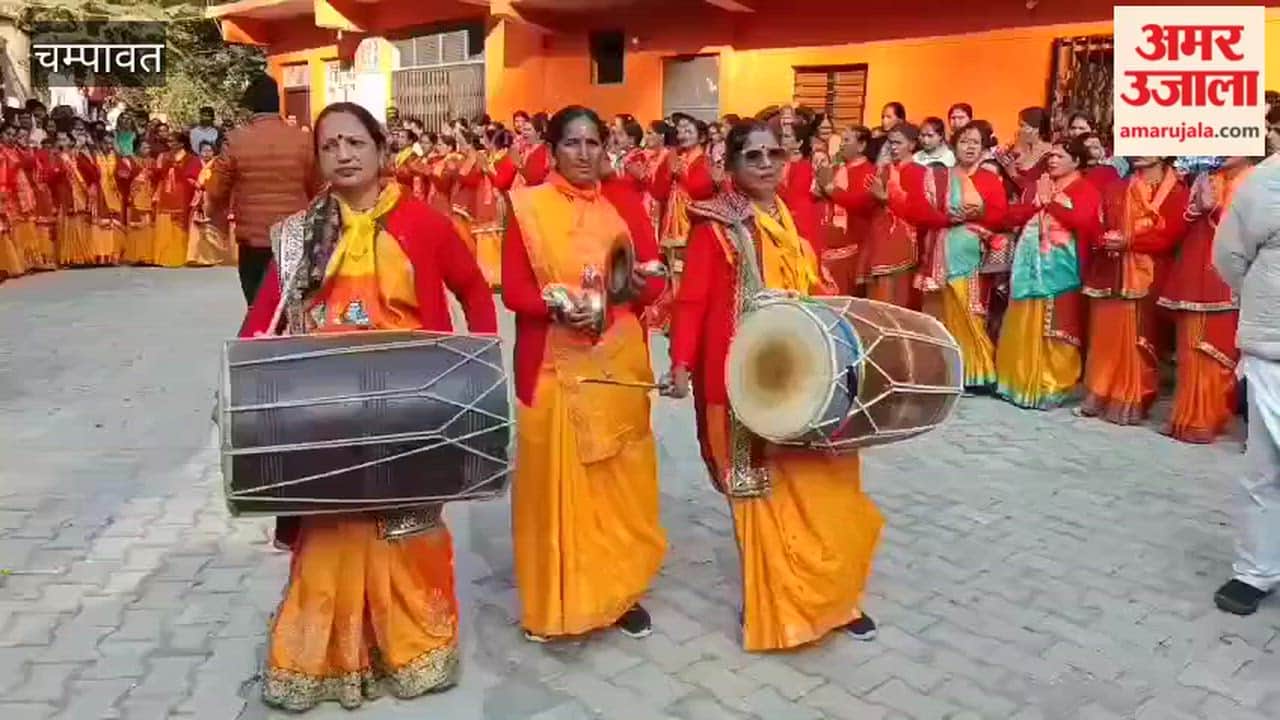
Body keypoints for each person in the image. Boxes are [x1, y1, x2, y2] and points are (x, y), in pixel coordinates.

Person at [237, 102, 497, 709]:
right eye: (330, 146)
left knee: (406, 532)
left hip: (412, 410)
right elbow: (263, 319)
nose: (344, 155)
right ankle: (322, 660)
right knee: (331, 534)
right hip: (328, 414)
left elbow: (474, 291)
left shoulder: (425, 224)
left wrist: (479, 367)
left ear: (382, 151)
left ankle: (412, 651)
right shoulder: (301, 235)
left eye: (356, 142)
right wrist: (244, 388)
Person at [666, 118, 882, 651]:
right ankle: (776, 606)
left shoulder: (796, 213)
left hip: (809, 371)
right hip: (744, 378)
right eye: (753, 157)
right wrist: (680, 363)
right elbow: (692, 300)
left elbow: (821, 284)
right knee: (760, 492)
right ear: (732, 167)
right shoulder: (716, 224)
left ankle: (834, 600)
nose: (766, 165)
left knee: (827, 484)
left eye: (773, 156)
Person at [501, 105, 667, 643]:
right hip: (551, 366)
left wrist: (629, 290)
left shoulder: (624, 203)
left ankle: (617, 594)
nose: (583, 153)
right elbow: (516, 290)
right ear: (552, 151)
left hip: (615, 366)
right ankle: (558, 601)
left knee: (615, 483)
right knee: (555, 488)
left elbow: (655, 278)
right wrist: (557, 306)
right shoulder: (526, 208)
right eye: (571, 143)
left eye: (593, 142)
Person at [1212, 157, 1280, 615]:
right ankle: (1255, 570)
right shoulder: (1269, 180)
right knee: (1265, 467)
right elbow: (1230, 257)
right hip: (1274, 349)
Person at [1079, 157, 1188, 424]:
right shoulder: (1116, 187)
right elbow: (1097, 222)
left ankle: (1132, 397)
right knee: (1106, 335)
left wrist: (1129, 240)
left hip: (1148, 273)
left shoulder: (1176, 191)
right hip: (1111, 269)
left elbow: (1171, 234)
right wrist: (1105, 239)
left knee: (1139, 337)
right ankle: (1099, 391)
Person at [995, 137, 1100, 409]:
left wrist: (1050, 203)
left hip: (1061, 271)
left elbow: (1082, 221)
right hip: (1029, 268)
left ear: (1076, 162)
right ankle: (1018, 383)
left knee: (1056, 328)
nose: (1052, 160)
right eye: (1051, 155)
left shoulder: (1085, 189)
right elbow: (1009, 217)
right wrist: (1037, 203)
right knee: (1022, 322)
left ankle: (1052, 385)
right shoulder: (1038, 186)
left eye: (1060, 156)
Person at [902, 122, 1008, 390]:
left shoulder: (989, 179)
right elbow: (918, 209)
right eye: (964, 141)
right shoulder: (938, 176)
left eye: (975, 142)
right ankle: (944, 372)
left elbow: (1000, 214)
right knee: (940, 311)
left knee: (970, 312)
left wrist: (976, 215)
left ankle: (978, 372)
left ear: (984, 149)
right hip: (940, 246)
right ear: (954, 145)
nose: (970, 147)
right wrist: (945, 218)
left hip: (971, 254)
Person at [1157, 156, 1254, 443]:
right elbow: (1175, 227)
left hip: (1225, 275)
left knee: (1216, 346)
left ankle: (1207, 417)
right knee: (1189, 347)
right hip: (1193, 268)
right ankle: (1184, 415)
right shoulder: (1205, 177)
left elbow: (1252, 230)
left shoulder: (1253, 180)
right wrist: (1197, 208)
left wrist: (1216, 209)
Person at [206, 72, 319, 304]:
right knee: (293, 304)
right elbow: (318, 187)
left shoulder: (236, 140)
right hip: (294, 235)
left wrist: (216, 218)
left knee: (257, 305)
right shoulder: (304, 140)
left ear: (252, 106)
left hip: (253, 238)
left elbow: (216, 189)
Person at [857, 123, 920, 307]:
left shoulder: (919, 172)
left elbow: (917, 211)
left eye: (898, 143)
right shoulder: (883, 170)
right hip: (878, 240)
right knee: (876, 301)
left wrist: (887, 200)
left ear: (912, 145)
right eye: (891, 143)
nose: (893, 147)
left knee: (897, 302)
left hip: (904, 243)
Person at [816, 125, 876, 294]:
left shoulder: (869, 172)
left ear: (861, 146)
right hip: (829, 244)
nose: (842, 145)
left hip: (854, 247)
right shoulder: (836, 169)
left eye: (847, 140)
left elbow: (860, 203)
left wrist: (831, 190)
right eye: (842, 140)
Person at [152, 134, 201, 268]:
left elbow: (193, 177)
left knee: (180, 223)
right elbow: (157, 174)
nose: (170, 143)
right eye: (169, 141)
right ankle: (162, 257)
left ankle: (178, 257)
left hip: (182, 194)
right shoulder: (163, 156)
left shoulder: (192, 159)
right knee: (164, 221)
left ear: (181, 144)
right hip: (165, 193)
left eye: (172, 141)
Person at [187, 141, 236, 267]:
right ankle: (203, 257)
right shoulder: (212, 163)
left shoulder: (235, 162)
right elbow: (201, 180)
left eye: (209, 151)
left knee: (222, 227)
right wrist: (203, 187)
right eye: (204, 151)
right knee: (205, 227)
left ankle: (223, 257)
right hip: (208, 198)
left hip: (227, 198)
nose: (207, 153)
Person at [53, 129, 96, 268]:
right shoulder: (56, 157)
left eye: (64, 140)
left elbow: (93, 174)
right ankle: (69, 257)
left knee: (81, 222)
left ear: (72, 141)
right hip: (65, 194)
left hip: (80, 194)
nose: (62, 143)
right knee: (67, 224)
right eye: (59, 140)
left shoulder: (79, 156)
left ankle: (82, 256)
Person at [89, 134, 125, 265]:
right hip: (99, 194)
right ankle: (100, 256)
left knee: (114, 226)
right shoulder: (94, 157)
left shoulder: (116, 157)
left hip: (114, 194)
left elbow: (124, 172)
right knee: (99, 226)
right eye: (106, 143)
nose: (108, 146)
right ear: (100, 143)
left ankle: (113, 256)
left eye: (111, 143)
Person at [120, 137, 156, 266]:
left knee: (149, 225)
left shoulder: (152, 161)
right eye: (144, 147)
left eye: (149, 148)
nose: (148, 150)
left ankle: (148, 255)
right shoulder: (128, 160)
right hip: (135, 197)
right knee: (136, 226)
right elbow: (122, 178)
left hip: (150, 196)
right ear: (137, 148)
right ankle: (135, 255)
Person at [869, 101, 906, 166]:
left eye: (889, 117)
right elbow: (870, 159)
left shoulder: (908, 137)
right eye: (883, 117)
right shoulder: (876, 134)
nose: (884, 121)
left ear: (900, 120)